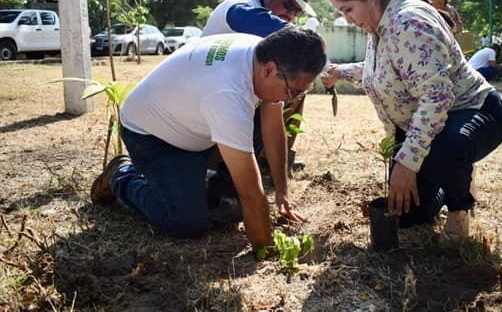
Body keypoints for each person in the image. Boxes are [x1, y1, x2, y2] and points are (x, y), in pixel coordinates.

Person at [320, 0, 502, 241]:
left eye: (348, 9)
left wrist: (407, 163)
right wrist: (341, 72)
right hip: (426, 127)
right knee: (409, 214)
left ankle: (460, 204)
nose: (348, 20)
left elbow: (437, 97)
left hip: (472, 111)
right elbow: (386, 70)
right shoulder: (379, 22)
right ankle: (448, 178)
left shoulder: (409, 22)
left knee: (444, 153)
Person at [90, 27, 327, 251]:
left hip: (194, 124)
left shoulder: (260, 53)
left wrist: (282, 190)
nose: (293, 98)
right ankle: (121, 175)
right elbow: (252, 193)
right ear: (269, 70)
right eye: (294, 91)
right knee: (186, 223)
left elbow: (273, 129)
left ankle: (213, 188)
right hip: (153, 136)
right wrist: (266, 252)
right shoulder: (228, 93)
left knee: (231, 208)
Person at [201, 0, 317, 172]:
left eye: (296, 11)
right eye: (288, 5)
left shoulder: (273, 29)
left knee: (293, 88)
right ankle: (229, 170)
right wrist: (303, 38)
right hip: (207, 94)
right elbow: (243, 18)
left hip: (232, 92)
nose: (290, 15)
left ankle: (266, 161)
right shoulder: (240, 4)